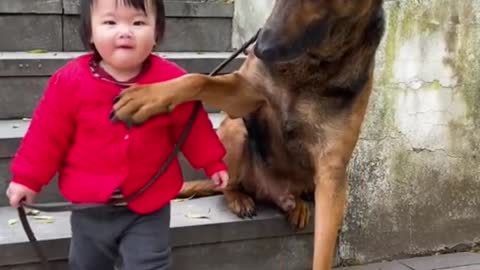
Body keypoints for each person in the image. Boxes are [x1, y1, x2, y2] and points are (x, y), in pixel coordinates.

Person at [5, 0, 229, 269]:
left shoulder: (171, 82)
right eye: (110, 22)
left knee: (149, 263)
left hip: (149, 205)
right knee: (87, 263)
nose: (125, 32)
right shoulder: (70, 82)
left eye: (138, 23)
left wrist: (212, 162)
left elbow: (193, 127)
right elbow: (46, 136)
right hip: (90, 208)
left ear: (156, 33)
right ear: (90, 33)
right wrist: (27, 179)